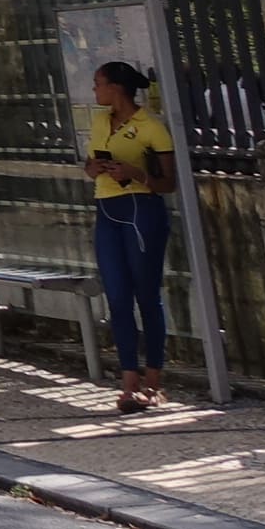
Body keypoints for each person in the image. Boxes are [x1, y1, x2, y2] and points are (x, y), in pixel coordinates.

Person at [85, 59, 178, 413]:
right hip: (107, 209)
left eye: (98, 83)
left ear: (116, 88)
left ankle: (154, 382)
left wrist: (135, 172)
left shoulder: (151, 128)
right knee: (118, 297)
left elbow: (168, 183)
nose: (94, 90)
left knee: (146, 294)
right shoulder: (98, 122)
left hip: (142, 210)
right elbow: (89, 161)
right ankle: (128, 383)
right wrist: (93, 168)